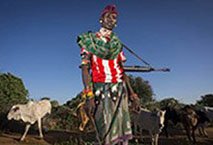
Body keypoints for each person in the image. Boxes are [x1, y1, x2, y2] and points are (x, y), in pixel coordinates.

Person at [77, 4, 139, 145]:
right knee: (104, 132)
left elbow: (122, 70)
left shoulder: (117, 44)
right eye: (108, 17)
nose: (111, 20)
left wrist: (133, 94)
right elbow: (85, 69)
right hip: (101, 90)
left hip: (120, 91)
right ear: (101, 19)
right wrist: (89, 95)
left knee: (121, 134)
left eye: (114, 17)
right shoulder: (89, 40)